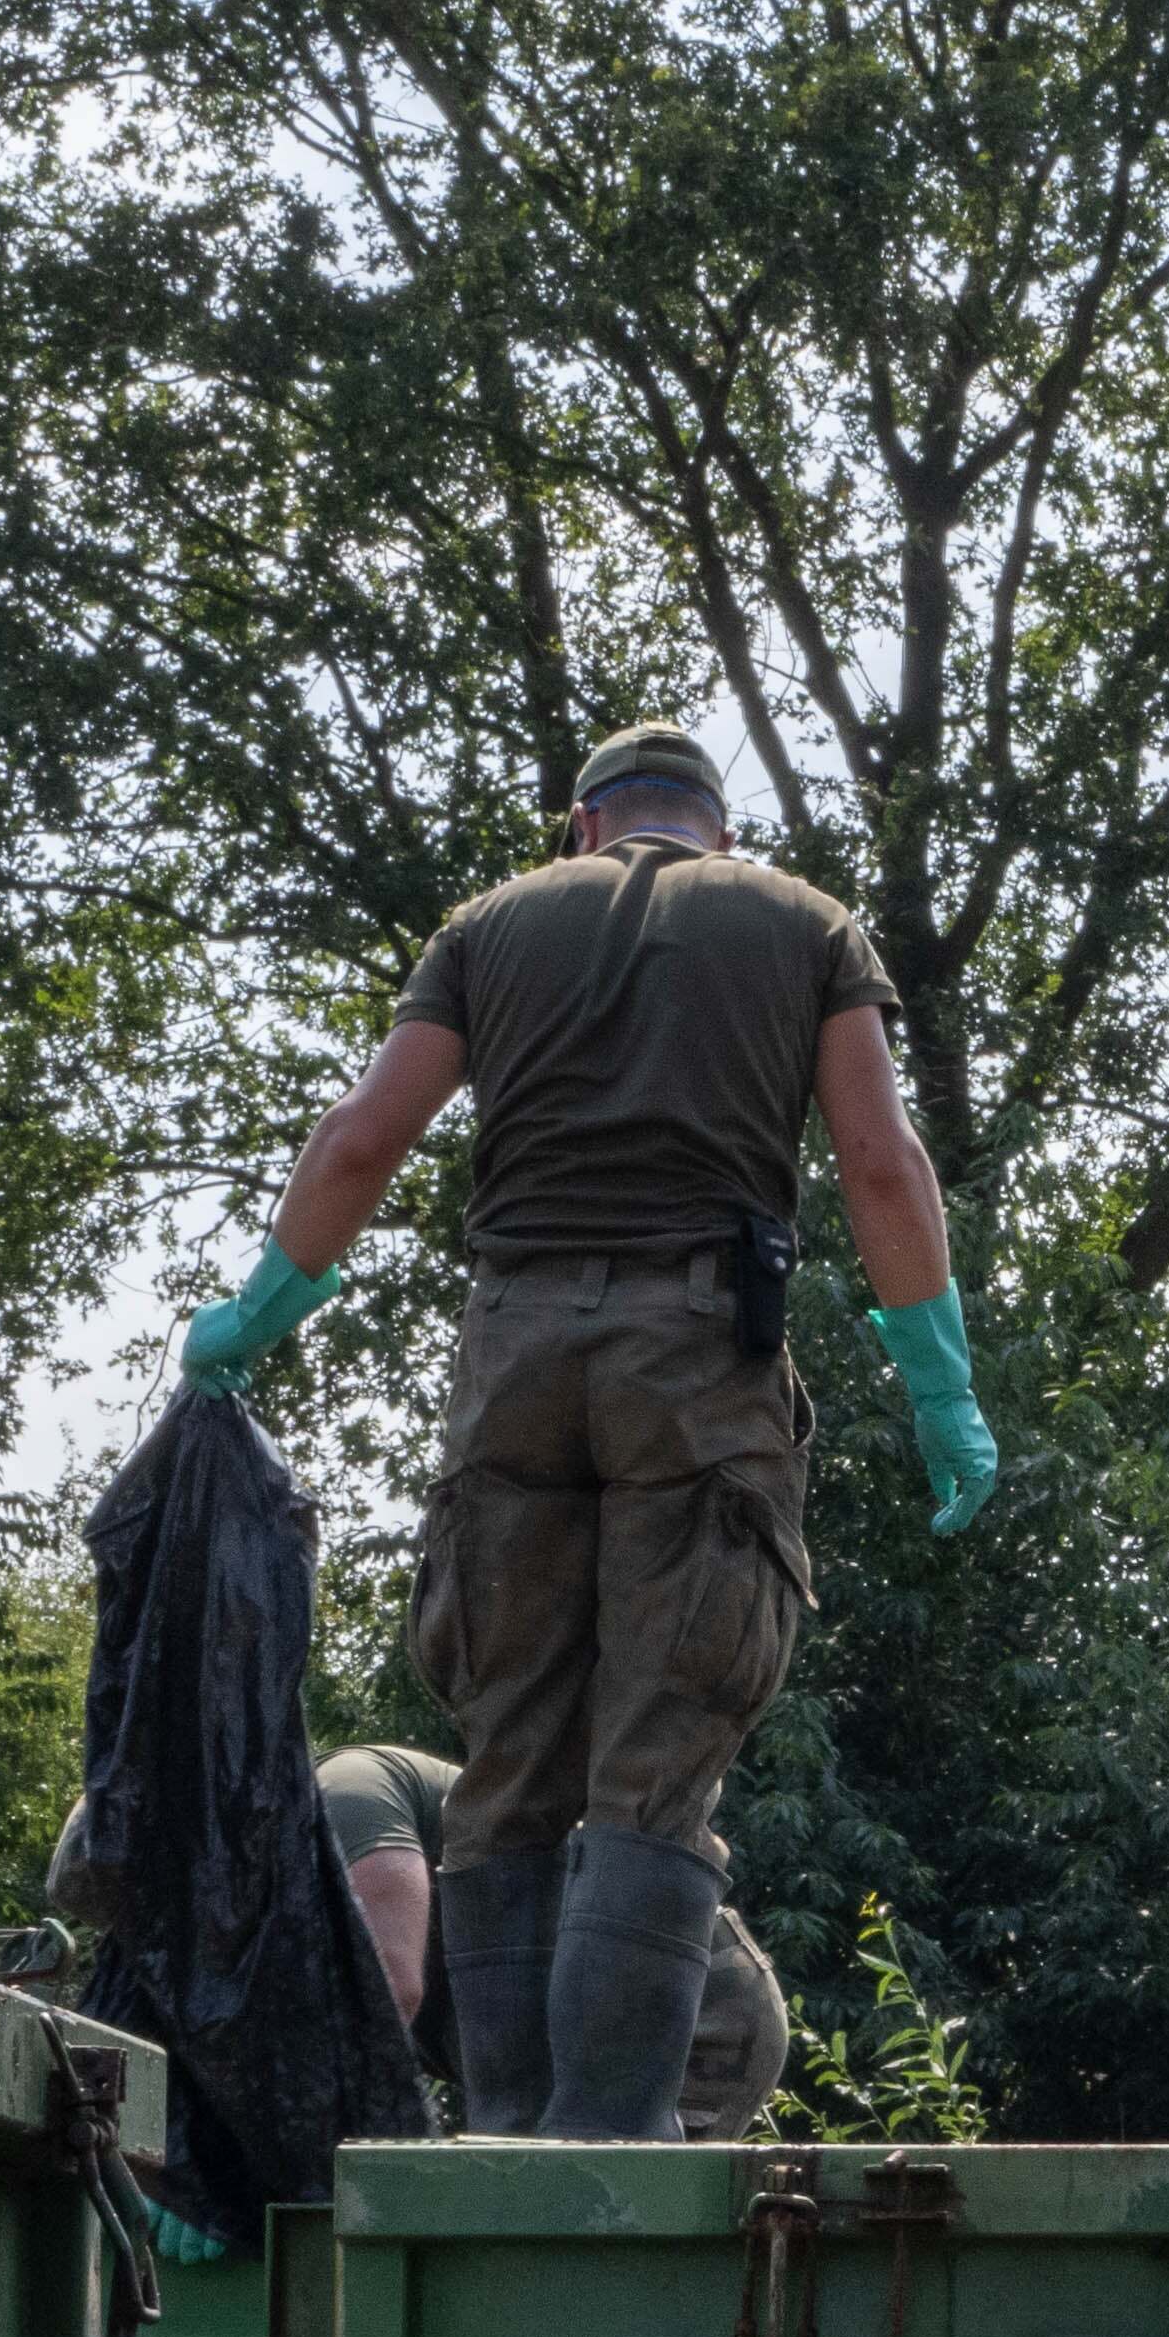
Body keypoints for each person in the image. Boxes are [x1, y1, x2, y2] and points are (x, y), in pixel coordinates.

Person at [181, 726, 999, 2136]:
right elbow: (880, 1158)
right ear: (717, 833)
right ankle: (607, 2146)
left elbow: (367, 1134)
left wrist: (257, 1316)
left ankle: (503, 2134)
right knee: (656, 1760)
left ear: (583, 825)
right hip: (696, 1368)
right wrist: (940, 1386)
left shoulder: (488, 928)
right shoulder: (804, 924)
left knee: (505, 1761)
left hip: (513, 1359)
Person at [311, 1737, 793, 2135]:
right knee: (533, 2212)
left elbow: (391, 1993)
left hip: (682, 2008)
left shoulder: (343, 1790)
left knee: (603, 2221)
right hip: (564, 2036)